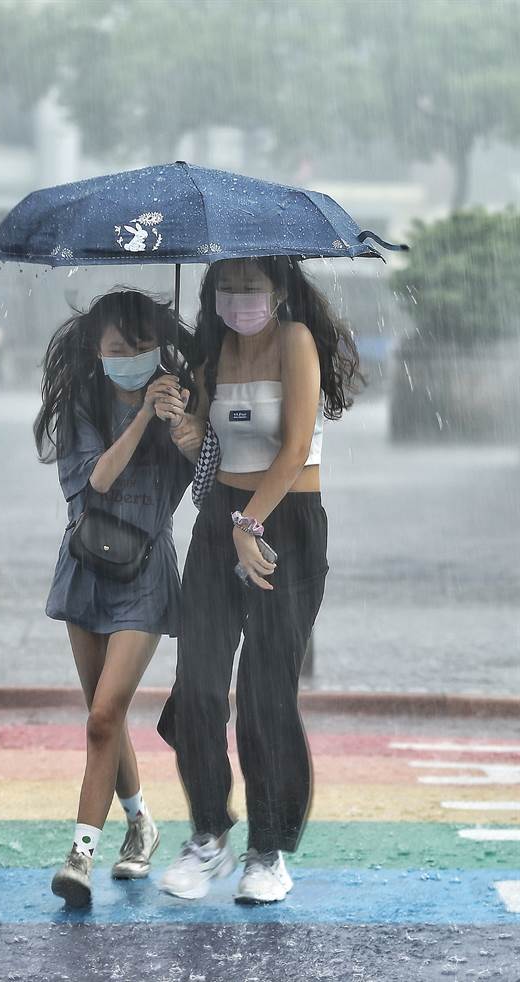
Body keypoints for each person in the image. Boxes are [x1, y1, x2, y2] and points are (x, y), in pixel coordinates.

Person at [157, 256, 363, 904]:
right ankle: (210, 833)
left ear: (279, 290)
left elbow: (296, 444)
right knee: (197, 687)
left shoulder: (295, 341)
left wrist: (253, 522)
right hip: (222, 521)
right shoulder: (213, 352)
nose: (239, 298)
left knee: (265, 695)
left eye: (252, 286)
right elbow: (217, 453)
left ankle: (267, 851)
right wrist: (185, 429)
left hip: (288, 526)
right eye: (227, 286)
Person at [34, 290, 195, 908]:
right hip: (85, 568)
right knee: (106, 715)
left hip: (147, 574)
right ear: (96, 351)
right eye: (117, 349)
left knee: (103, 716)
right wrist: (139, 421)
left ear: (159, 347)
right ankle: (141, 824)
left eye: (140, 347)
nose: (129, 358)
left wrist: (182, 428)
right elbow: (95, 483)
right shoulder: (82, 401)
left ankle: (79, 854)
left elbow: (203, 481)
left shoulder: (180, 396)